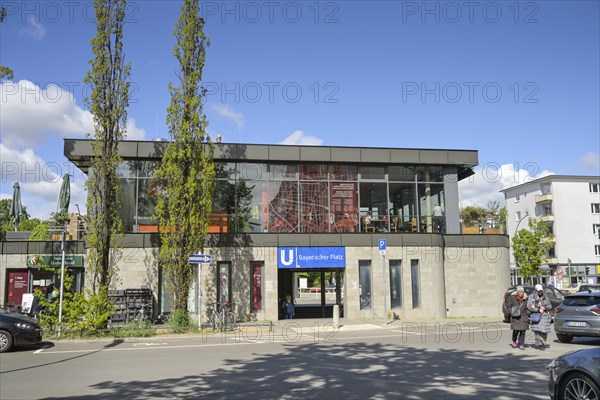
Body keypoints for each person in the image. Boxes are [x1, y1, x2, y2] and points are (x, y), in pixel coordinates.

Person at [527, 284, 552, 350]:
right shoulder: (531, 297)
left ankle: (543, 341)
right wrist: (537, 309)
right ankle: (540, 344)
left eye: (541, 291)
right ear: (536, 291)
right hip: (536, 315)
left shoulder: (545, 297)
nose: (540, 292)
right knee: (537, 331)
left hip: (544, 316)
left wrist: (545, 308)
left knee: (544, 331)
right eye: (539, 291)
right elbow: (529, 306)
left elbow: (550, 306)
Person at [504, 286, 529, 350]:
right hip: (515, 316)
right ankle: (514, 340)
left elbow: (528, 307)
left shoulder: (526, 298)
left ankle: (521, 344)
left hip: (523, 317)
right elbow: (508, 306)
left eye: (522, 292)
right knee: (516, 330)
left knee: (523, 331)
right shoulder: (512, 298)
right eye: (520, 292)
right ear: (517, 292)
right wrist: (512, 312)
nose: (521, 294)